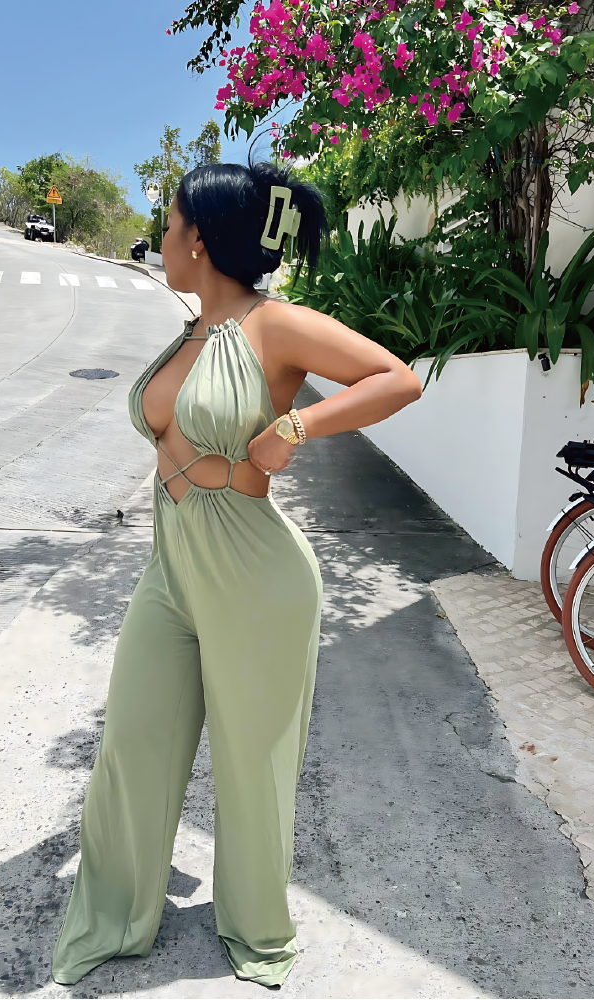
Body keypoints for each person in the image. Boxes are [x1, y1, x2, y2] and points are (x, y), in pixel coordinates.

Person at [52, 160, 422, 989]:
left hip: (256, 575)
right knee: (132, 743)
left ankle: (254, 924)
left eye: (169, 222)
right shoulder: (187, 333)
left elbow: (398, 378)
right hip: (170, 569)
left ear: (200, 239)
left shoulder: (275, 324)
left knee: (254, 762)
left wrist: (297, 426)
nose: (160, 236)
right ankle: (116, 913)